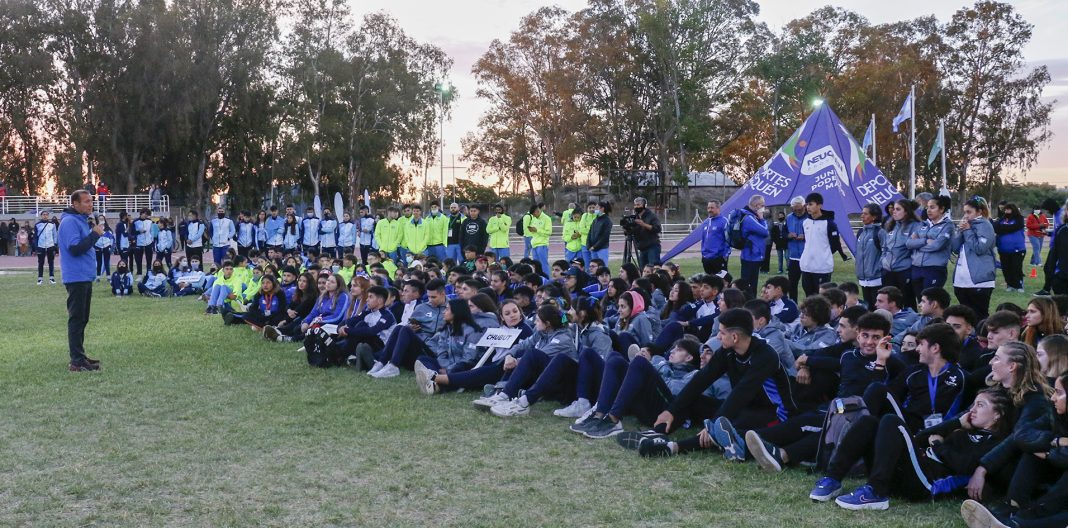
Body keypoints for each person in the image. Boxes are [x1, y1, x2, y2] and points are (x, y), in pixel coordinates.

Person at [59, 190, 106, 371]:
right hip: (76, 276)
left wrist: (92, 232)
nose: (90, 204)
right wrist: (94, 234)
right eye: (86, 202)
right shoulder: (69, 222)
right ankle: (76, 362)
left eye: (91, 201)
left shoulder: (81, 220)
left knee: (83, 318)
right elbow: (76, 249)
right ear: (75, 204)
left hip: (84, 276)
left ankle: (80, 356)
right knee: (77, 319)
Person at [952, 197, 997, 320]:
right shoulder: (967, 225)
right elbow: (955, 248)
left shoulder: (985, 225)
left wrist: (967, 231)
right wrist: (960, 231)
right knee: (965, 317)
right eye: (964, 212)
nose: (965, 215)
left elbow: (979, 248)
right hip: (961, 279)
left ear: (979, 212)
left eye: (969, 212)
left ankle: (981, 338)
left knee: (979, 316)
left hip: (979, 280)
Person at [906, 194, 955, 303]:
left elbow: (937, 246)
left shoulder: (948, 225)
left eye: (932, 207)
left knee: (932, 302)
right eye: (927, 207)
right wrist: (925, 241)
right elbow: (909, 243)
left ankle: (936, 320)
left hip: (934, 269)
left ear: (942, 209)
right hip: (916, 268)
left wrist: (917, 245)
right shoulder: (922, 224)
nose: (928, 210)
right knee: (921, 303)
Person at [799, 192, 848, 297]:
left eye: (811, 204)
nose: (808, 207)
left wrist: (822, 254)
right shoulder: (805, 222)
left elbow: (835, 244)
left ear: (819, 205)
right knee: (809, 297)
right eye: (807, 204)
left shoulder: (830, 223)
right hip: (806, 266)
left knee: (822, 298)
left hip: (822, 267)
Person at [882, 198, 921, 311]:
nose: (894, 211)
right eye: (893, 209)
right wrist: (883, 261)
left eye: (898, 209)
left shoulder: (916, 226)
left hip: (905, 271)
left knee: (908, 302)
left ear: (906, 212)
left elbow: (915, 246)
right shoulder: (891, 225)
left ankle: (910, 326)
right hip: (888, 271)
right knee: (888, 303)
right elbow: (885, 247)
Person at [738, 195, 770, 299]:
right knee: (749, 287)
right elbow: (765, 232)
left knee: (751, 285)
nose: (764, 208)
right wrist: (762, 218)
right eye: (763, 206)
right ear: (757, 205)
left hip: (752, 255)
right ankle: (748, 308)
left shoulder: (750, 216)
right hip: (750, 257)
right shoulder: (749, 218)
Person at [856, 203, 886, 307]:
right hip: (863, 279)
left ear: (874, 217)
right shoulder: (861, 232)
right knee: (868, 310)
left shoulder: (880, 232)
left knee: (878, 309)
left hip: (876, 279)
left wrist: (878, 268)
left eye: (865, 214)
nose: (862, 216)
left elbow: (886, 253)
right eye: (862, 213)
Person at [994, 203, 1028, 293]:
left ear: (1013, 210)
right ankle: (1010, 284)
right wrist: (1004, 228)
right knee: (1006, 268)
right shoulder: (1002, 219)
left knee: (1016, 267)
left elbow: (1016, 227)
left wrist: (1003, 228)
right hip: (1003, 249)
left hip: (1017, 249)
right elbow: (995, 227)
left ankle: (1019, 285)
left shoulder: (1019, 219)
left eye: (1008, 210)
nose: (1006, 211)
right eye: (1005, 210)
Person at [785, 196, 808, 301]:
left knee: (808, 285)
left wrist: (806, 236)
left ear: (805, 206)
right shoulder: (789, 218)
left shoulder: (811, 217)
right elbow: (783, 234)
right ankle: (793, 306)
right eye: (795, 210)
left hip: (808, 256)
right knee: (792, 284)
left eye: (800, 209)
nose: (798, 212)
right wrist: (788, 235)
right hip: (793, 257)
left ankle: (811, 306)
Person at [629, 197, 662, 268]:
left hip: (652, 246)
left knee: (653, 268)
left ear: (644, 205)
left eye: (638, 205)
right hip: (642, 247)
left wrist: (643, 224)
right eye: (635, 205)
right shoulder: (636, 217)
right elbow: (634, 231)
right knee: (643, 269)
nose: (636, 207)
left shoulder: (651, 216)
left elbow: (658, 228)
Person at [701, 200, 730, 278]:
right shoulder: (705, 222)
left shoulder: (724, 221)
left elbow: (728, 239)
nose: (709, 210)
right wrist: (703, 253)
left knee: (721, 280)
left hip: (719, 258)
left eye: (712, 208)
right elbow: (703, 239)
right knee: (709, 281)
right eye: (708, 208)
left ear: (718, 209)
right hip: (706, 258)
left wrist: (725, 255)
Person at [526, 203, 553, 276]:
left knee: (543, 264)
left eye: (534, 214)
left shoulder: (547, 218)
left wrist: (537, 230)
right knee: (536, 265)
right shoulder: (534, 219)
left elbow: (549, 232)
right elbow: (534, 231)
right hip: (534, 244)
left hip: (542, 244)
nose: (534, 216)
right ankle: (538, 280)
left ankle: (547, 280)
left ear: (537, 211)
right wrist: (531, 230)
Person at [586, 202, 612, 269]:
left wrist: (595, 246)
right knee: (594, 268)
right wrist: (588, 245)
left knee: (602, 268)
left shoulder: (607, 221)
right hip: (593, 249)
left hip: (602, 248)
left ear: (602, 208)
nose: (594, 209)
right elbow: (589, 233)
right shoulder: (595, 220)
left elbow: (605, 237)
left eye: (596, 207)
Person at [34, 210, 58, 285]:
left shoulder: (52, 224)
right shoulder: (37, 224)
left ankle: (52, 277)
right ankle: (40, 278)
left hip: (50, 245)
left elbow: (55, 235)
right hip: (41, 246)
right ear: (41, 215)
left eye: (46, 214)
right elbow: (35, 237)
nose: (45, 216)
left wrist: (55, 245)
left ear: (48, 216)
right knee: (40, 263)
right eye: (44, 214)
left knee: (51, 262)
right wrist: (36, 247)